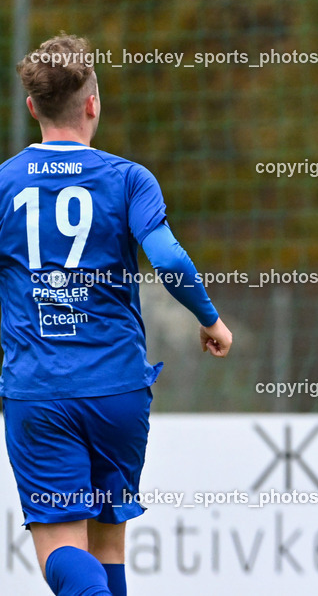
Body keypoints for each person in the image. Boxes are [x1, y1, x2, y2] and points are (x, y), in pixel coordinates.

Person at [0, 33, 233, 596]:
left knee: (61, 552)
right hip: (118, 391)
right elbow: (169, 259)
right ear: (93, 104)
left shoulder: (4, 182)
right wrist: (210, 319)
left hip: (39, 390)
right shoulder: (129, 178)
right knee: (107, 547)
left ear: (32, 107)